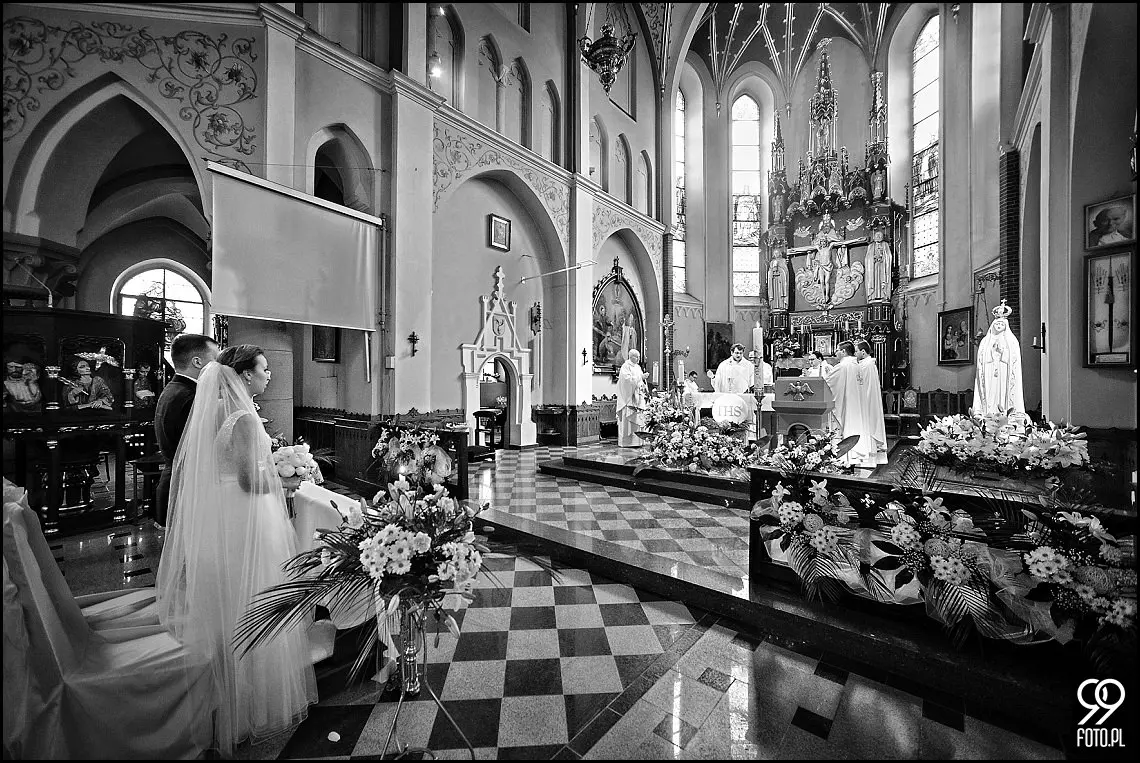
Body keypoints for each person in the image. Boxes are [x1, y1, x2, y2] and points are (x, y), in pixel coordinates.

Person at [156, 344, 317, 756]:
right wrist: (287, 483)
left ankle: (226, 697)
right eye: (264, 370)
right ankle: (255, 703)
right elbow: (249, 480)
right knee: (255, 601)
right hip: (247, 514)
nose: (269, 377)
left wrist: (278, 463)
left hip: (223, 514)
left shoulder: (210, 411)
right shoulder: (244, 418)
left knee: (228, 603)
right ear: (244, 375)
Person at [154, 334, 219, 528]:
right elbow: (199, 448)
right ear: (198, 362)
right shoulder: (190, 396)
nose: (219, 368)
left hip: (173, 479)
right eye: (215, 360)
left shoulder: (174, 388)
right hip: (185, 487)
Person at [973, 302, 1025, 417]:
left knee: (1002, 394)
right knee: (991, 394)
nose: (999, 326)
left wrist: (1003, 352)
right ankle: (988, 414)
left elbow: (1013, 359)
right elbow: (981, 360)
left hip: (1004, 373)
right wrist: (991, 352)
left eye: (1002, 324)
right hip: (990, 373)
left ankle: (1005, 414)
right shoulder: (986, 341)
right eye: (997, 324)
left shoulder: (1011, 341)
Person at [853, 341, 888, 467]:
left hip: (867, 400)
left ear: (863, 351)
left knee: (869, 424)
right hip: (867, 398)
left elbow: (865, 385)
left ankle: (869, 449)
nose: (855, 354)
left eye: (857, 351)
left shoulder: (867, 365)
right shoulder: (866, 364)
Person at [616, 349, 647, 447]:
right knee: (629, 420)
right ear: (631, 356)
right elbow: (627, 381)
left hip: (638, 397)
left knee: (639, 419)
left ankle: (638, 441)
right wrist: (640, 377)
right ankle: (628, 442)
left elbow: (640, 381)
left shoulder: (637, 367)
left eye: (638, 357)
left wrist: (643, 385)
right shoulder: (625, 366)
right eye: (636, 357)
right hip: (629, 399)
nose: (638, 359)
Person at [865, 228, 893, 302]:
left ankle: (884, 295)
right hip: (873, 268)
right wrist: (873, 258)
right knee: (874, 280)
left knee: (882, 280)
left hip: (882, 267)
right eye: (877, 235)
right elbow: (868, 259)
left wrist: (883, 258)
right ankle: (873, 296)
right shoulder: (871, 246)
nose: (878, 237)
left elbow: (888, 256)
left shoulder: (885, 245)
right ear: (874, 237)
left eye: (880, 235)